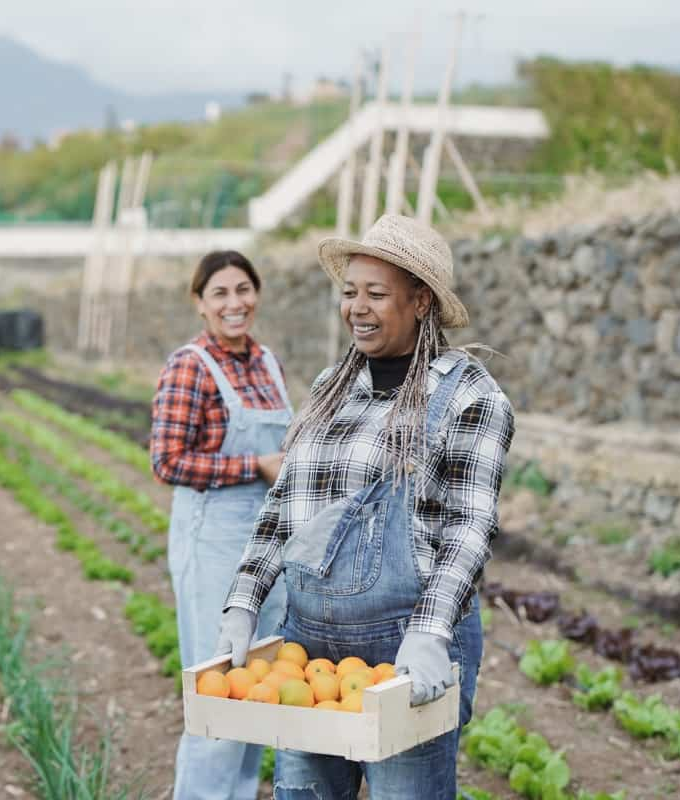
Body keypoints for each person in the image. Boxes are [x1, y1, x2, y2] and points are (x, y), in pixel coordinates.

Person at [217, 215, 515, 799]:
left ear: (421, 301)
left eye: (376, 294)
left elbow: (470, 527)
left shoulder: (469, 395)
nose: (358, 307)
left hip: (405, 647)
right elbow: (285, 509)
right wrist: (243, 602)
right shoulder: (332, 385)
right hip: (310, 650)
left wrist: (431, 633)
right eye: (350, 292)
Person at [151, 250, 291, 799]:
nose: (235, 303)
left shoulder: (267, 362)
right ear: (200, 304)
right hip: (212, 541)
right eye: (221, 294)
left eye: (243, 290)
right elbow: (167, 461)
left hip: (267, 544)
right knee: (219, 689)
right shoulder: (191, 365)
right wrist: (252, 465)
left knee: (257, 684)